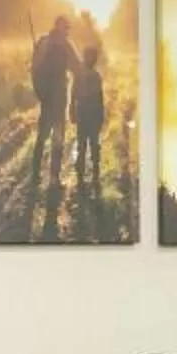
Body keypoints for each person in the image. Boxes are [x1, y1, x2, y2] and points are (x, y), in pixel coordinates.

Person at [28, 15, 74, 205]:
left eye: (68, 28)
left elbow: (33, 70)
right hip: (56, 98)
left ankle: (37, 175)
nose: (67, 31)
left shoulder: (43, 42)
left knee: (44, 137)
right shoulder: (62, 44)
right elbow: (76, 66)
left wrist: (40, 93)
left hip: (50, 98)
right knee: (56, 138)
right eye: (66, 27)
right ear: (59, 27)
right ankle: (52, 179)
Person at [71, 30, 106, 222]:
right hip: (86, 112)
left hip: (88, 112)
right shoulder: (88, 74)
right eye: (91, 56)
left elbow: (98, 97)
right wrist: (71, 108)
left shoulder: (92, 75)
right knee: (86, 144)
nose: (93, 59)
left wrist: (101, 114)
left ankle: (91, 175)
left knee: (89, 144)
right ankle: (85, 176)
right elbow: (74, 92)